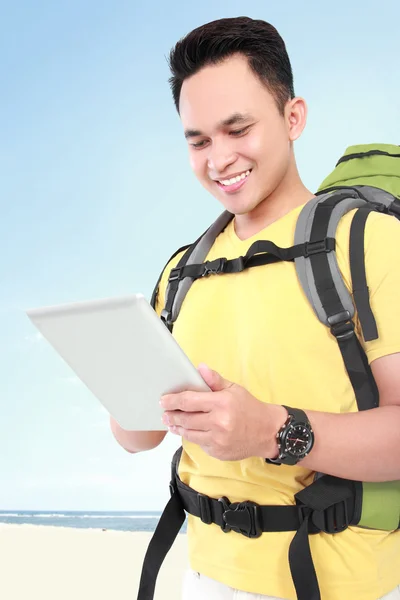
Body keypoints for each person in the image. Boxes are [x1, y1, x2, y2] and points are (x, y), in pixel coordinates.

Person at [110, 16, 400, 600]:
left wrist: (273, 430)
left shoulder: (370, 243)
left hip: (338, 583)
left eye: (237, 129)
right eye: (198, 140)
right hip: (202, 575)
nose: (219, 159)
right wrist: (119, 383)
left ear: (293, 118)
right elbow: (136, 437)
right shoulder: (182, 270)